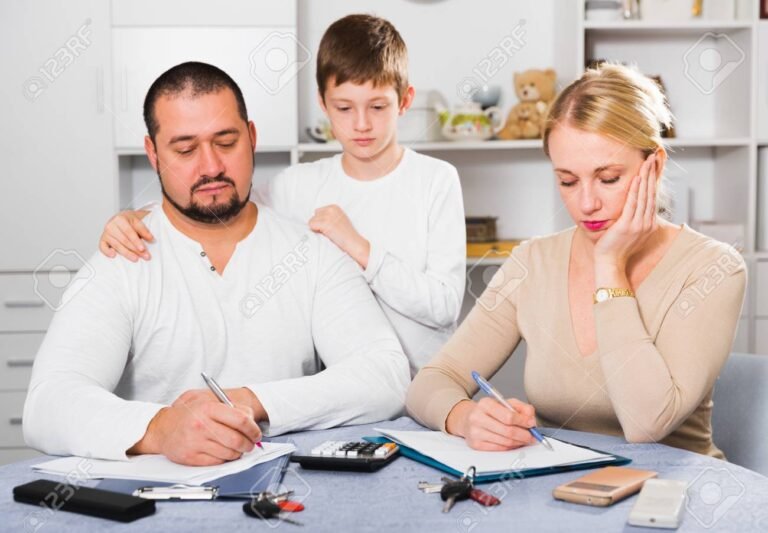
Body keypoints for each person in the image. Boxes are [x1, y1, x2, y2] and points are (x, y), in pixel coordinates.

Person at [23, 62, 410, 465]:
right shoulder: (122, 259)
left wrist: (251, 401)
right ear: (154, 154)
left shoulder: (312, 253)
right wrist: (161, 428)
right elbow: (47, 403)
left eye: (226, 142)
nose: (210, 167)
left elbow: (385, 376)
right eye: (185, 149)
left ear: (252, 137)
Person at [405, 63, 746, 459]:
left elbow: (647, 424)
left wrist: (610, 267)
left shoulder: (713, 268)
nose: (586, 204)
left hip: (672, 499)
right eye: (567, 181)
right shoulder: (534, 262)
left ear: (655, 165)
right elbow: (431, 382)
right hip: (563, 491)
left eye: (609, 178)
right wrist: (466, 418)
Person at [95, 14, 467, 377]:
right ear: (323, 104)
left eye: (378, 106)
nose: (362, 124)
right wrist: (135, 218)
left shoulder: (436, 180)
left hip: (428, 393)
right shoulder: (299, 185)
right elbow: (217, 200)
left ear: (404, 101)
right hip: (348, 396)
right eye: (344, 108)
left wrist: (359, 247)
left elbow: (444, 307)